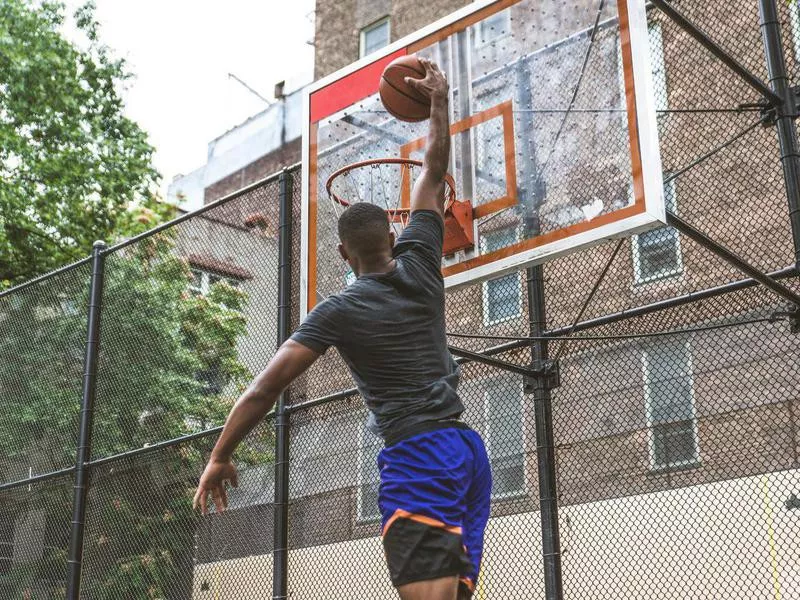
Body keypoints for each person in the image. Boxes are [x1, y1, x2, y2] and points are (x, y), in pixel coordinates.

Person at [193, 57, 491, 600]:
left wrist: (219, 455)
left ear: (340, 253)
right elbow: (432, 169)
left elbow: (264, 388)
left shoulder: (336, 311)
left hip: (419, 455)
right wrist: (441, 103)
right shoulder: (422, 260)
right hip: (468, 452)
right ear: (396, 238)